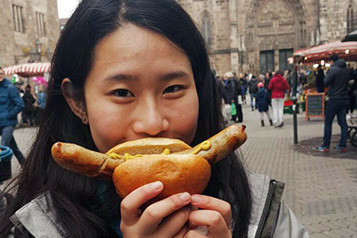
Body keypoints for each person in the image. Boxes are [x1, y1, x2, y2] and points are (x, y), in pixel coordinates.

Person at [0, 1, 309, 237]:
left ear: (200, 89)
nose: (152, 123)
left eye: (173, 88)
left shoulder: (267, 213)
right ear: (78, 102)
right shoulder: (30, 227)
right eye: (122, 92)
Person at [317, 54, 351, 152]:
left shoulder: (333, 70)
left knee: (328, 122)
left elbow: (326, 82)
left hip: (334, 98)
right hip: (344, 98)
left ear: (332, 61)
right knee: (342, 122)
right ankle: (343, 144)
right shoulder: (346, 70)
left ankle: (326, 145)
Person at [0, 67, 26, 166]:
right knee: (13, 147)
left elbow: (20, 104)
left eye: (1, 73)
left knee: (3, 147)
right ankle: (26, 165)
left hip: (7, 123)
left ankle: (2, 174)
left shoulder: (10, 88)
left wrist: (9, 115)